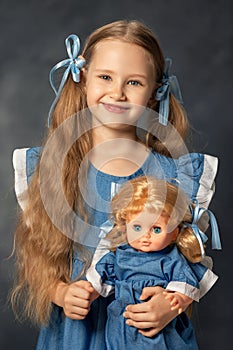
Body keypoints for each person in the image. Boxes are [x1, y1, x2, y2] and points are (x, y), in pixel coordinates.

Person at [11, 20, 219, 349]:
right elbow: (40, 259)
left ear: (154, 93)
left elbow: (189, 261)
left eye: (134, 82)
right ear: (81, 80)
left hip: (148, 335)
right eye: (105, 77)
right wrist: (62, 293)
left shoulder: (174, 175)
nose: (118, 92)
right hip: (75, 335)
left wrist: (171, 303)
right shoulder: (56, 168)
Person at [86, 176, 220, 349]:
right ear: (125, 225)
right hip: (123, 325)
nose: (145, 236)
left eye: (156, 229)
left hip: (163, 329)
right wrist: (88, 291)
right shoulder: (119, 256)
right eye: (137, 227)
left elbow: (186, 283)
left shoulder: (171, 258)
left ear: (174, 233)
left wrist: (177, 297)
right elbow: (99, 280)